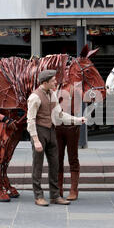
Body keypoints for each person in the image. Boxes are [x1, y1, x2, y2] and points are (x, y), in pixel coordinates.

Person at [27, 70, 87, 206]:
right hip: (40, 131)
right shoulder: (34, 97)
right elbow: (30, 120)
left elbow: (59, 115)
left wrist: (77, 120)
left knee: (55, 164)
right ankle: (38, 196)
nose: (56, 82)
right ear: (45, 82)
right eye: (53, 80)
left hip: (51, 131)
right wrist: (36, 140)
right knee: (37, 166)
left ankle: (55, 195)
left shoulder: (52, 94)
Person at [56, 86, 82, 201]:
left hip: (72, 125)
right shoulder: (54, 85)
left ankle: (73, 189)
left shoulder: (75, 86)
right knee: (57, 158)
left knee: (73, 157)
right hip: (56, 125)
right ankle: (58, 187)